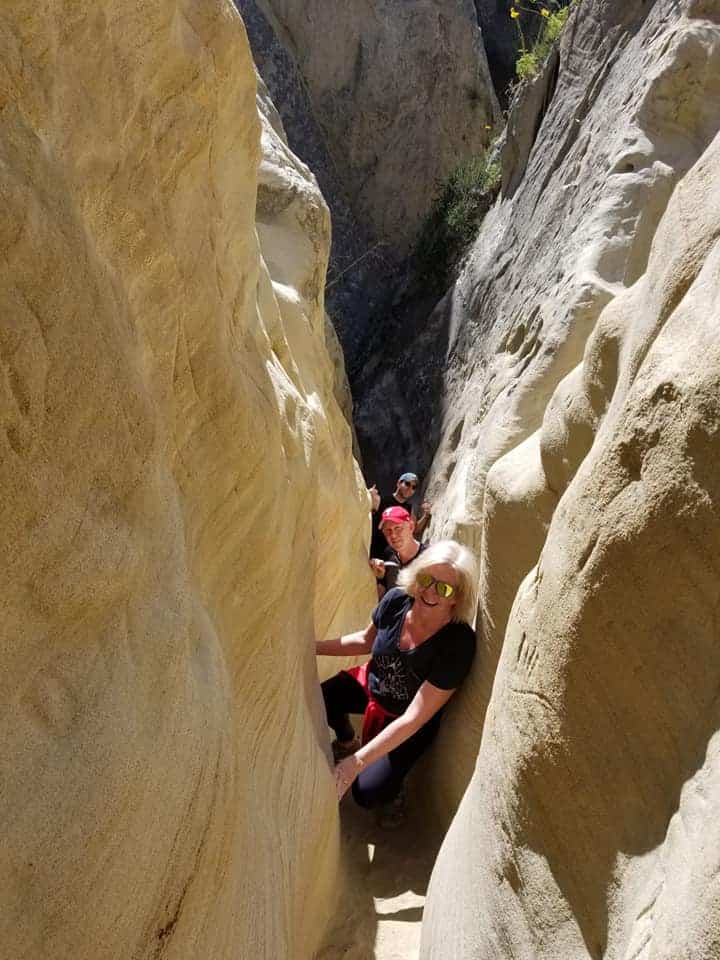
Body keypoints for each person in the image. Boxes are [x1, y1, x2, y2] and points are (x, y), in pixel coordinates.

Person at [316, 540, 478, 808]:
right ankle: (347, 740)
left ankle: (395, 787)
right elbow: (366, 641)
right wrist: (313, 648)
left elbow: (415, 717)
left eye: (444, 587)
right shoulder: (396, 600)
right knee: (323, 697)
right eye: (427, 579)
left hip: (406, 720)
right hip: (372, 688)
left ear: (457, 597)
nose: (430, 591)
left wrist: (355, 764)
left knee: (368, 793)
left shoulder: (458, 643)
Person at [368, 471, 432, 557]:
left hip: (393, 555)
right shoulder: (381, 500)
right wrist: (368, 495)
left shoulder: (409, 508)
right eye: (407, 484)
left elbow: (415, 529)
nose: (410, 489)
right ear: (398, 483)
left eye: (414, 487)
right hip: (372, 550)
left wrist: (426, 515)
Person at [369, 505, 427, 595]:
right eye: (388, 530)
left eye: (398, 528)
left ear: (411, 526)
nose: (393, 535)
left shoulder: (429, 558)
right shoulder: (389, 554)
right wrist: (380, 577)